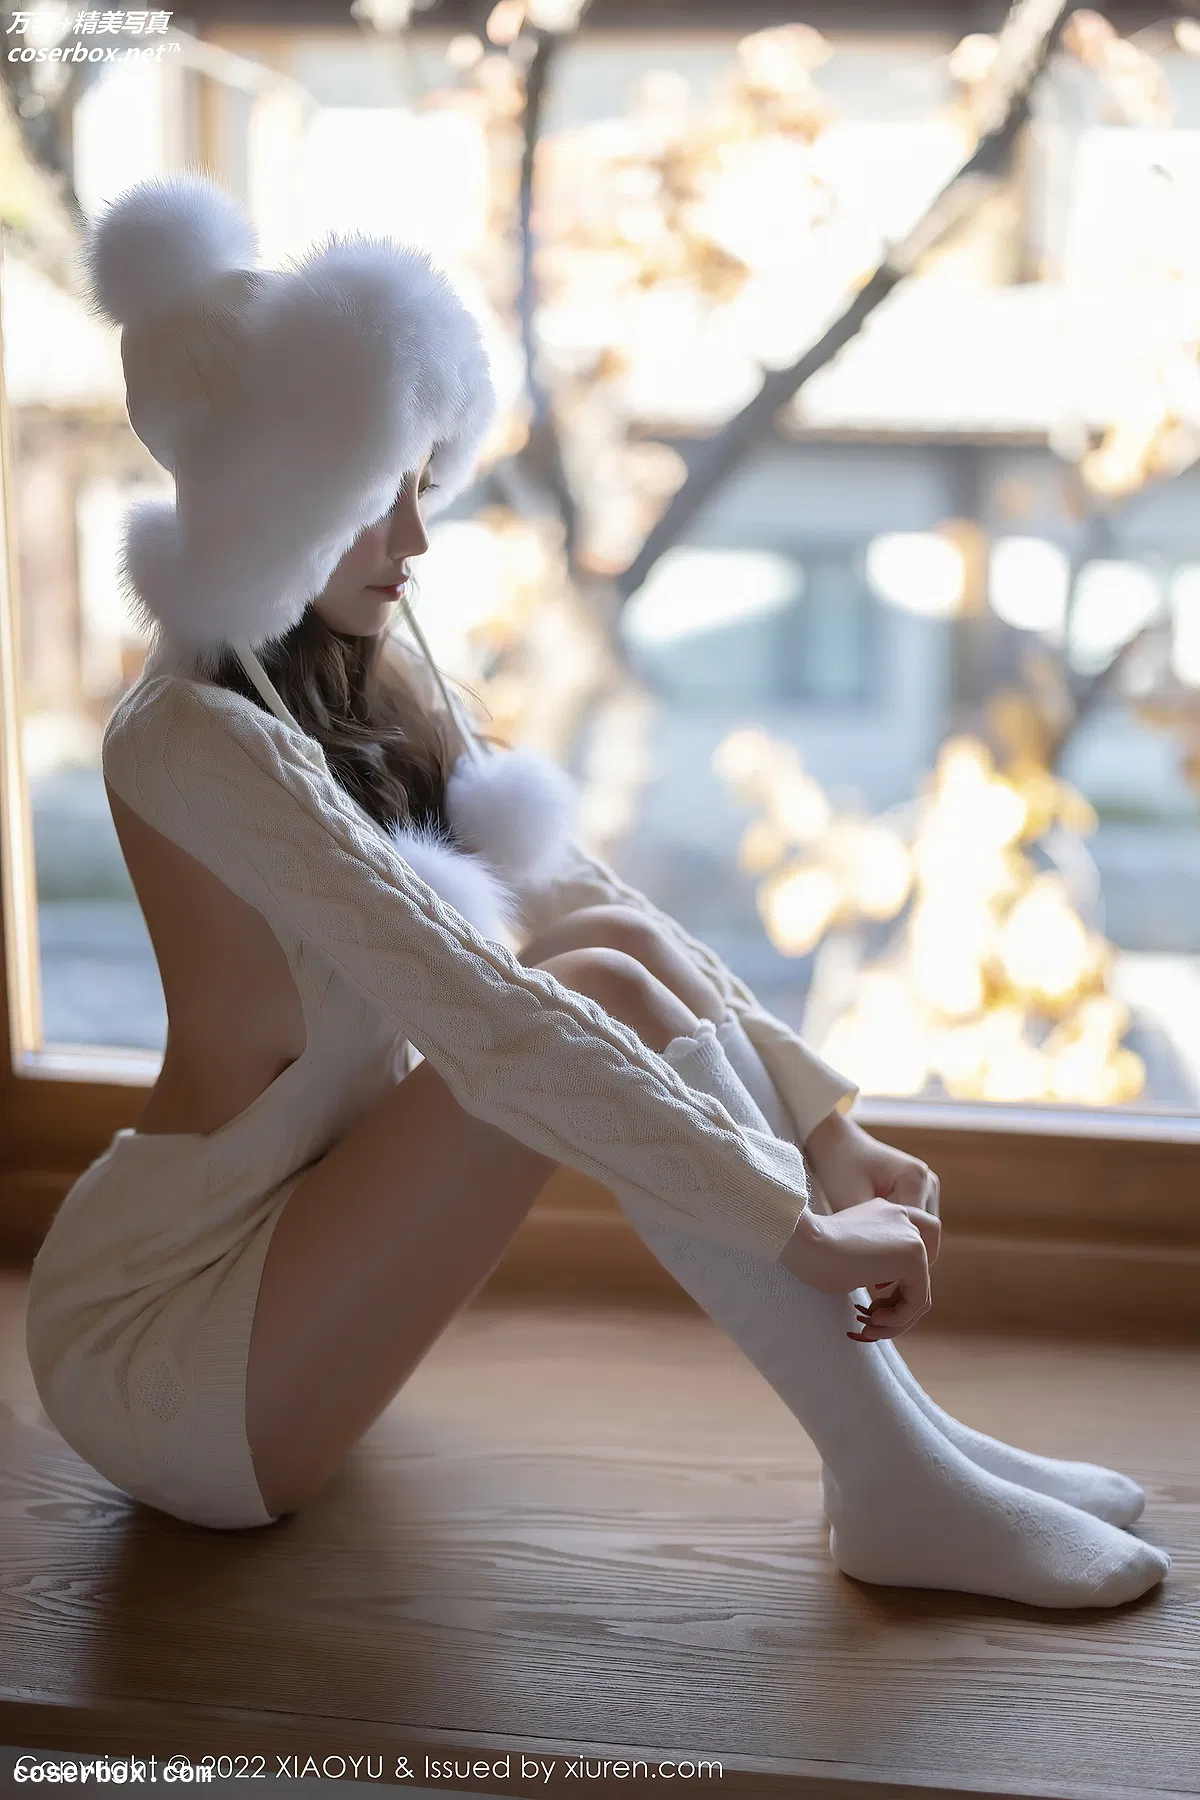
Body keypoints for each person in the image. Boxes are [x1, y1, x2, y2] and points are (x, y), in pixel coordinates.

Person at [24, 173, 1167, 1611]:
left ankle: (902, 1452)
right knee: (589, 989)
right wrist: (796, 1227)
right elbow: (490, 1013)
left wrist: (831, 1132)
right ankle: (893, 1475)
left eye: (421, 486)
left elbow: (586, 903)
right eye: (372, 500)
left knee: (609, 942)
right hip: (169, 1336)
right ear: (274, 501)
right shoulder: (187, 737)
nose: (415, 539)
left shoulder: (363, 683)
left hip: (293, 1262)